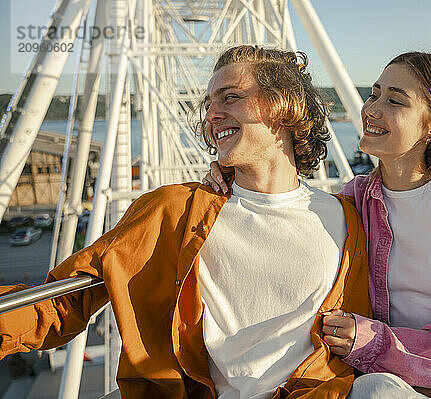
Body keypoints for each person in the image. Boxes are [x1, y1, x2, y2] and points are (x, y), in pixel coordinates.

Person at [0, 45, 373, 399]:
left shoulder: (347, 219)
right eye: (208, 105)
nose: (212, 114)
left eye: (230, 97)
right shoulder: (174, 211)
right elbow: (63, 301)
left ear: (285, 106)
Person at [204, 52, 431, 399]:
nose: (372, 109)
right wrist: (235, 171)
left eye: (395, 100)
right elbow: (286, 211)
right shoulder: (355, 199)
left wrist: (376, 343)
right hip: (395, 380)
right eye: (374, 94)